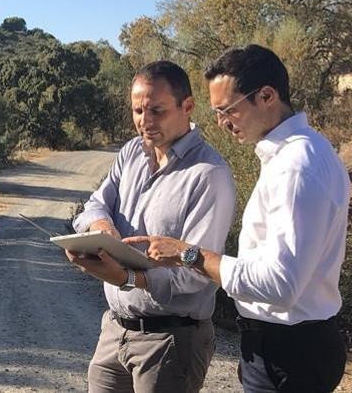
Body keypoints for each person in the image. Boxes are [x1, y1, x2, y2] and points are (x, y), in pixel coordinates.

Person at [139, 45, 350, 392]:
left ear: (266, 95)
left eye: (228, 111)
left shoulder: (295, 167)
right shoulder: (305, 152)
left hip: (289, 353)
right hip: (290, 348)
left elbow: (280, 285)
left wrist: (190, 255)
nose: (221, 123)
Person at [68, 60, 236, 393]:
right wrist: (102, 228)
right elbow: (93, 206)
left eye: (157, 111)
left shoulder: (209, 175)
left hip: (172, 340)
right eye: (138, 111)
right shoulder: (131, 152)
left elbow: (197, 269)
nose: (145, 122)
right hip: (115, 331)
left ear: (187, 106)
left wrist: (128, 278)